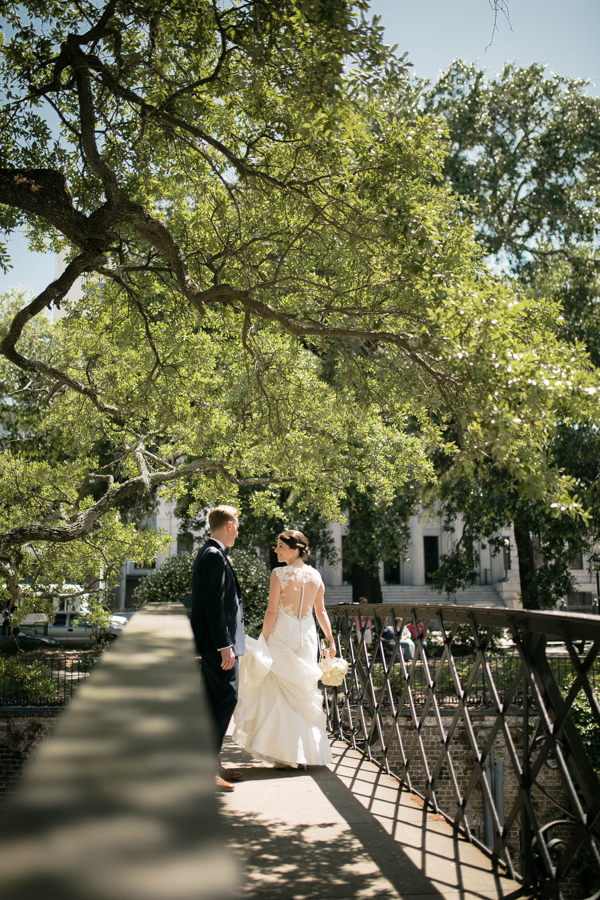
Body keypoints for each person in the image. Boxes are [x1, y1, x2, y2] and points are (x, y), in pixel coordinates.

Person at [232, 530, 336, 768]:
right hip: (307, 635)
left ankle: (287, 755)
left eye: (281, 546)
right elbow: (320, 612)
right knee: (303, 690)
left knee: (279, 692)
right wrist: (330, 639)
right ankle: (306, 753)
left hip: (282, 634)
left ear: (296, 549)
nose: (276, 550)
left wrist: (263, 640)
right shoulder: (316, 575)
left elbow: (271, 610)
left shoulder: (278, 574)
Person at [191, 505, 245, 792]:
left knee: (213, 700)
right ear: (228, 525)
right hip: (218, 644)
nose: (238, 530)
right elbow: (214, 605)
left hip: (217, 642)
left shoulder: (212, 553)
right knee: (227, 696)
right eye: (237, 525)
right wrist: (225, 645)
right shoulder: (213, 555)